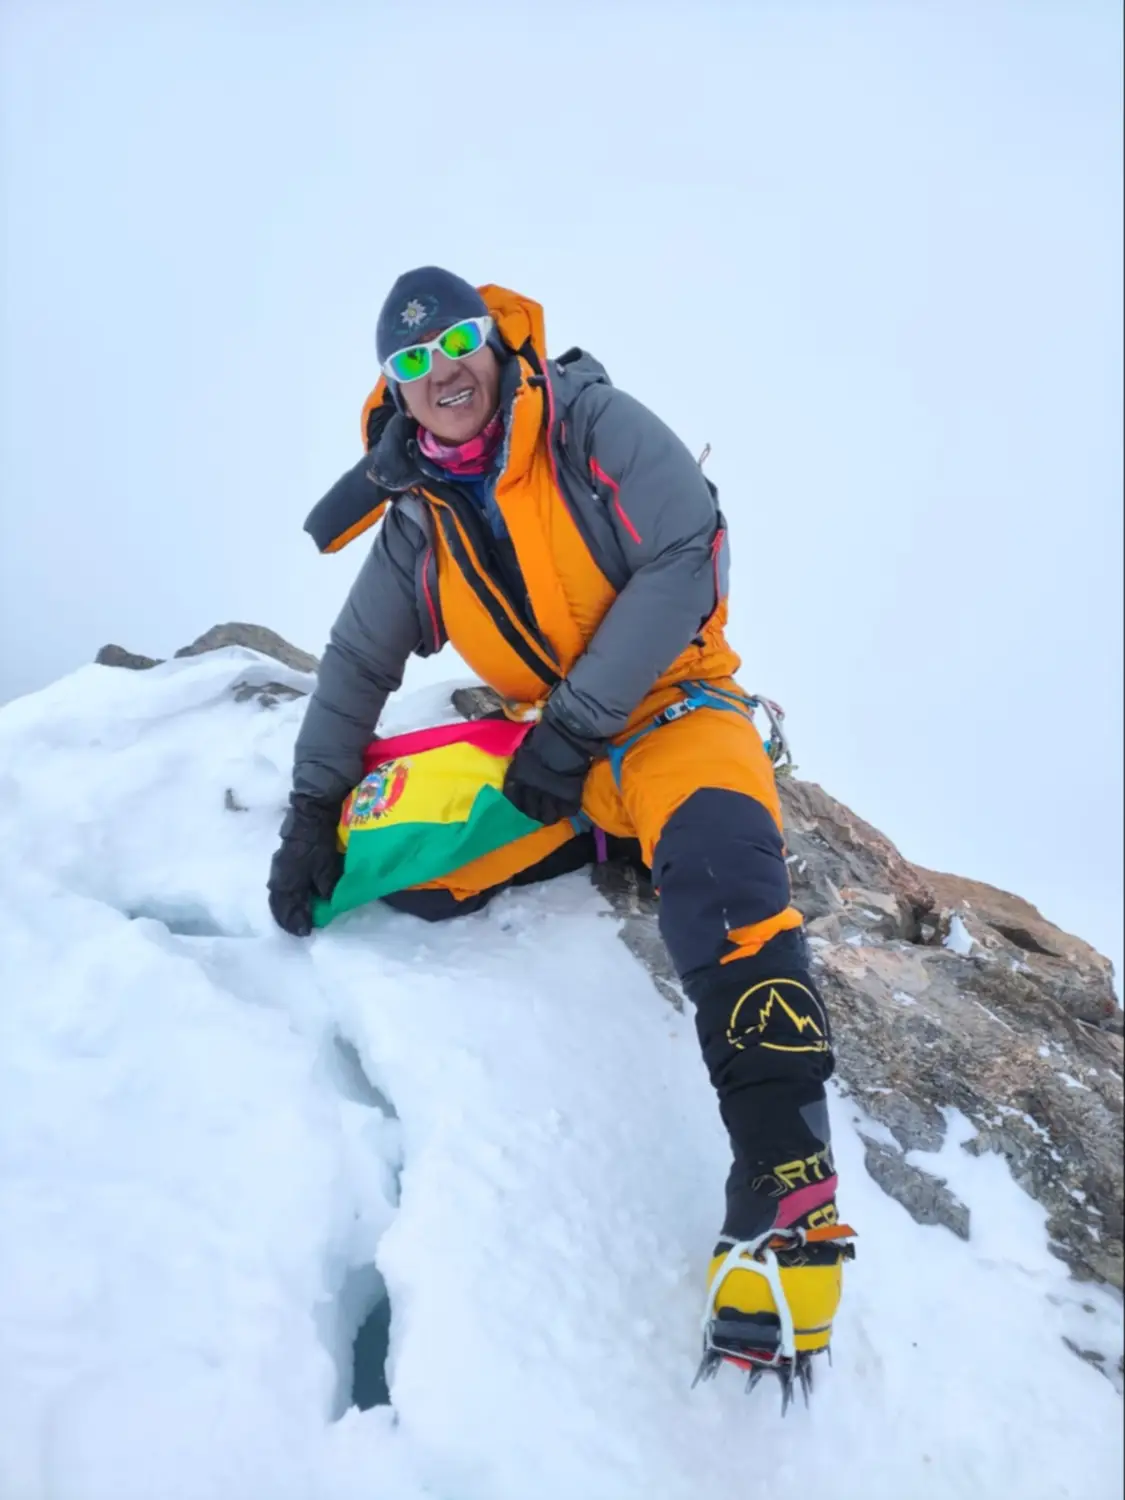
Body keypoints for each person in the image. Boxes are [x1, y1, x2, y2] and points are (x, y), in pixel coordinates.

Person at [268, 267, 853, 1384]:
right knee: (400, 873)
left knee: (726, 878)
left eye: (455, 345)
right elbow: (356, 663)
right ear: (392, 389)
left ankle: (785, 1176)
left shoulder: (589, 425)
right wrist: (308, 814)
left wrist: (579, 726)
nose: (441, 374)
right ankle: (589, 838)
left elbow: (690, 550)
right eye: (410, 365)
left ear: (493, 339)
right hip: (550, 756)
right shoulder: (419, 524)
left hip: (669, 713)